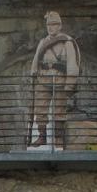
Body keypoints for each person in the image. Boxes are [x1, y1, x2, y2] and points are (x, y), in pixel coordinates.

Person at [26, 11, 82, 150]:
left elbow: (72, 65)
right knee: (40, 108)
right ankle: (42, 136)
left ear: (60, 26)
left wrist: (69, 85)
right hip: (43, 79)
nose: (51, 28)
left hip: (60, 81)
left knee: (59, 111)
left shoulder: (67, 42)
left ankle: (58, 139)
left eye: (54, 24)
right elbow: (36, 61)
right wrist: (33, 74)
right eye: (48, 25)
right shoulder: (43, 42)